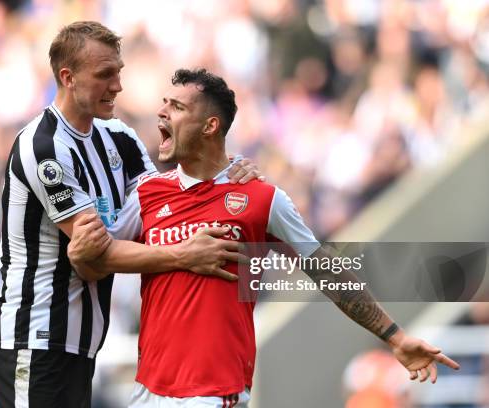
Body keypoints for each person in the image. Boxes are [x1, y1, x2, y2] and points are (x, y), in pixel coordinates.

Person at [69, 68, 460, 407]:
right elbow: (97, 259)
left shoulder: (260, 198)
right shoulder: (148, 193)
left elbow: (325, 269)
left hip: (213, 391)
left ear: (210, 126)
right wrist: (83, 242)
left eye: (177, 107)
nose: (162, 112)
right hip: (149, 389)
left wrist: (393, 336)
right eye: (164, 103)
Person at [0, 21, 259, 408]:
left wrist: (228, 172)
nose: (117, 86)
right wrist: (185, 255)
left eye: (119, 72)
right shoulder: (43, 147)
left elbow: (166, 208)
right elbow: (93, 256)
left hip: (81, 345)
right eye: (104, 75)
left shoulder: (120, 139)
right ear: (69, 78)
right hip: (35, 340)